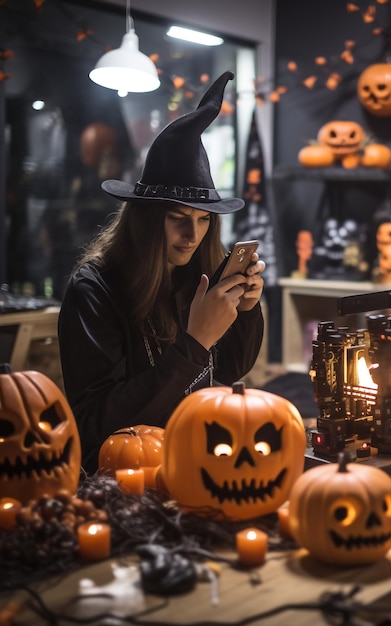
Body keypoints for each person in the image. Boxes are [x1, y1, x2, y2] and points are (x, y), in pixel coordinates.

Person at [58, 71, 265, 474]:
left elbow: (229, 370)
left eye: (204, 220)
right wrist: (195, 342)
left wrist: (245, 312)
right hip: (125, 477)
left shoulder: (196, 274)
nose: (193, 235)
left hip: (197, 458)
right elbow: (97, 424)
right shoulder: (95, 290)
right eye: (177, 219)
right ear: (146, 220)